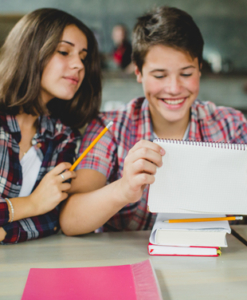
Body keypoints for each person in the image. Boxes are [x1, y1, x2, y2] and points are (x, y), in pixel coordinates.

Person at [60, 6, 247, 236]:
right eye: (159, 75)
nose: (174, 88)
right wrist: (123, 189)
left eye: (186, 74)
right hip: (131, 264)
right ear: (138, 72)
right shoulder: (110, 128)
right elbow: (69, 219)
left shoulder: (231, 125)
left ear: (200, 69)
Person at [0, 8, 101, 244]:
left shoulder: (62, 135)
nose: (78, 65)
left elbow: (52, 217)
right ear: (30, 51)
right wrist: (32, 203)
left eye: (83, 57)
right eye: (64, 52)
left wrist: (4, 232)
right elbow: (41, 207)